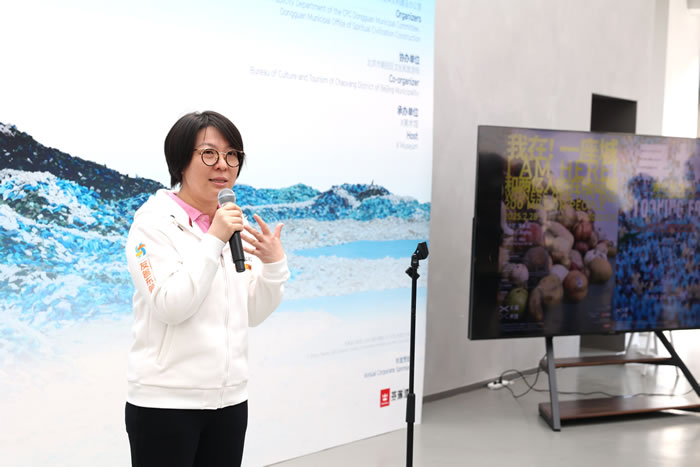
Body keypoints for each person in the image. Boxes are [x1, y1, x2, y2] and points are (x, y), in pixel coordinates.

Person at [124, 110, 290, 466]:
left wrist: (275, 266)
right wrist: (214, 238)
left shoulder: (229, 224)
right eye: (209, 153)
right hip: (165, 403)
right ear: (180, 161)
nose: (223, 165)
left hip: (230, 401)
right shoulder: (152, 225)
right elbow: (170, 305)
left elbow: (252, 312)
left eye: (232, 155)